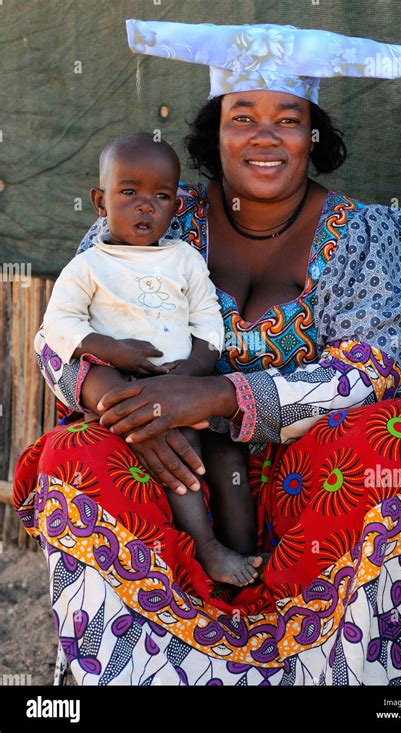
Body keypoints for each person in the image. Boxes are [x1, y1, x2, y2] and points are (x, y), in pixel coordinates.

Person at [14, 21, 401, 686]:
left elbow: (369, 368)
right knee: (76, 452)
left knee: (398, 445)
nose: (264, 136)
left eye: (288, 119)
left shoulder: (370, 236)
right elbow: (57, 336)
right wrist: (130, 411)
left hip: (318, 474)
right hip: (181, 470)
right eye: (242, 116)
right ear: (213, 130)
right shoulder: (153, 216)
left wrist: (220, 395)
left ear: (313, 135)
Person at [42, 131, 264, 587]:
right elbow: (58, 325)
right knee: (179, 470)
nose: (146, 205)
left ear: (175, 207)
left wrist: (197, 370)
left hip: (192, 393)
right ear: (100, 201)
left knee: (228, 461)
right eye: (129, 192)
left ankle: (246, 557)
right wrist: (111, 350)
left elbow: (207, 320)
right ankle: (206, 549)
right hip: (135, 392)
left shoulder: (183, 258)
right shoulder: (89, 267)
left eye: (161, 196)